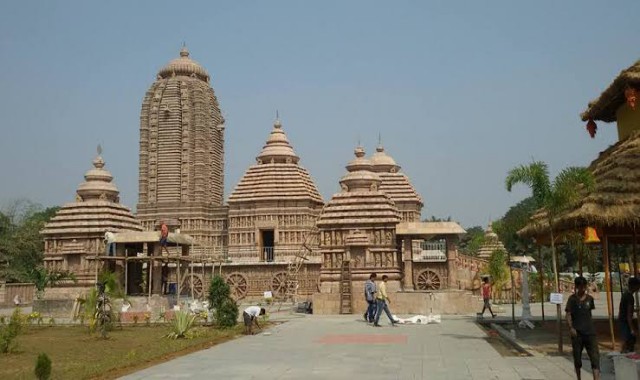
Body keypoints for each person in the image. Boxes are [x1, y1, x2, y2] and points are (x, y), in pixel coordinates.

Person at [566, 276, 600, 380]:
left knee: (595, 359)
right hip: (577, 334)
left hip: (590, 333)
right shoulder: (572, 300)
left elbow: (589, 314)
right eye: (580, 287)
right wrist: (571, 327)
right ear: (576, 287)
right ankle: (579, 377)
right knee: (577, 360)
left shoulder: (589, 299)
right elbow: (568, 314)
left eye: (584, 286)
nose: (582, 289)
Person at [619, 277, 640, 353]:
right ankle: (624, 353)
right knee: (627, 339)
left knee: (627, 339)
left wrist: (636, 310)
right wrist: (632, 329)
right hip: (626, 321)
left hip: (623, 319)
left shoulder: (625, 294)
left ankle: (625, 351)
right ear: (634, 286)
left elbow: (628, 310)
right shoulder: (630, 297)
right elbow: (629, 314)